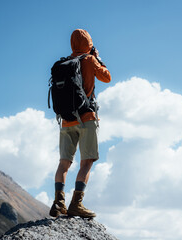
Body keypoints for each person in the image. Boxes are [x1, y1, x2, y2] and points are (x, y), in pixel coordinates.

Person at [49, 29, 111, 218]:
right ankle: (76, 203)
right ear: (89, 44)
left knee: (64, 163)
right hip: (86, 118)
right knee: (86, 162)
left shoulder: (64, 63)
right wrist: (97, 59)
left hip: (66, 120)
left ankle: (58, 202)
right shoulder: (89, 60)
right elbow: (107, 77)